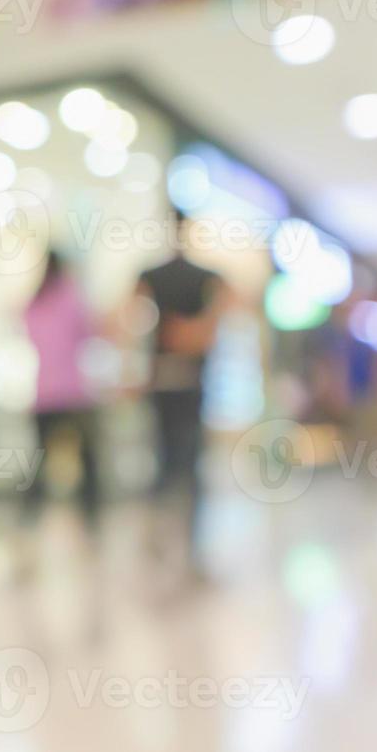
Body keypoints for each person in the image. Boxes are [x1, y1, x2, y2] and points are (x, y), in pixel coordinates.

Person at [134, 208, 231, 580]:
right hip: (181, 380)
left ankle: (170, 541)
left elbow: (125, 320)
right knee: (183, 462)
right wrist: (195, 333)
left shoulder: (161, 277)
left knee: (169, 460)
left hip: (168, 380)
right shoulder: (200, 278)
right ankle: (178, 543)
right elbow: (222, 317)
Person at [21, 251, 99, 531]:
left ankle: (30, 509)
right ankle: (91, 509)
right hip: (73, 390)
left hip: (43, 391)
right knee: (88, 456)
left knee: (39, 456)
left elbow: (26, 333)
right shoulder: (71, 297)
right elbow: (88, 332)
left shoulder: (34, 300)